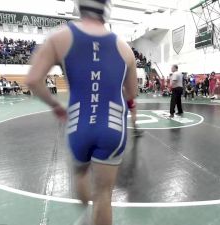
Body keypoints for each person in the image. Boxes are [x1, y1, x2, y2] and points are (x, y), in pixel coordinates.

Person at [25, 0, 137, 224]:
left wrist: (55, 105)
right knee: (104, 195)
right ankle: (95, 214)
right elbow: (132, 92)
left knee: (80, 174)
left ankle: (87, 214)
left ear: (79, 6)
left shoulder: (59, 38)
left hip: (80, 124)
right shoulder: (126, 49)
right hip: (113, 127)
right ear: (107, 9)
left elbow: (33, 80)